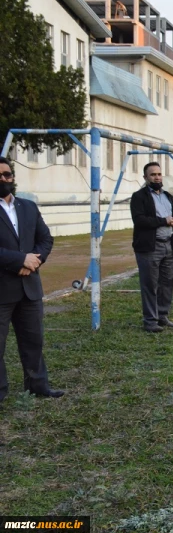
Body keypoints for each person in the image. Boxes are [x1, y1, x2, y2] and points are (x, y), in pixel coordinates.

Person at [0, 157, 63, 399]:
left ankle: (38, 386)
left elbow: (46, 239)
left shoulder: (28, 206)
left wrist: (34, 260)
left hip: (29, 286)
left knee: (33, 341)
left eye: (7, 174)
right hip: (2, 289)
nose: (3, 179)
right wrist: (19, 260)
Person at [131, 162, 173, 333]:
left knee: (167, 283)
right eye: (153, 175)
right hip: (149, 248)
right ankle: (150, 320)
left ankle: (162, 315)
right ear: (145, 178)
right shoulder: (139, 197)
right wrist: (164, 221)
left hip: (168, 245)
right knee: (150, 284)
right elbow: (140, 220)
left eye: (159, 174)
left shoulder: (168, 196)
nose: (157, 177)